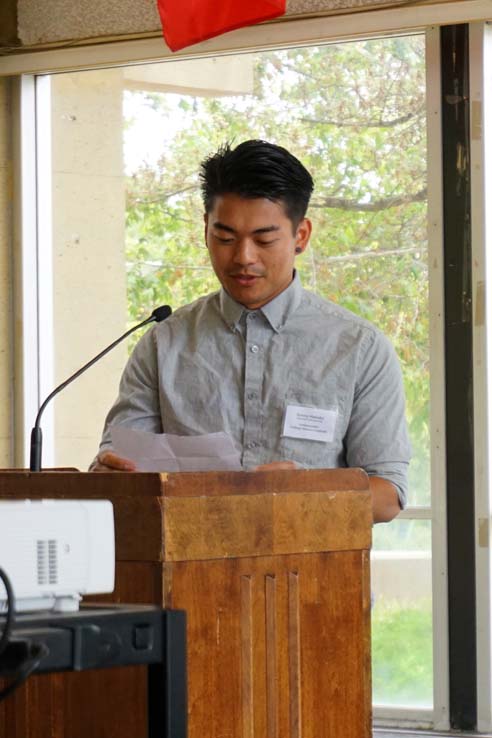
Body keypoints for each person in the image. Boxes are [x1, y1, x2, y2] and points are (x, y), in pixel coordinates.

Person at [91, 140, 411, 523]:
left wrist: (304, 493)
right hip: (189, 575)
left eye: (264, 239)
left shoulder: (359, 347)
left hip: (316, 577)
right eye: (225, 238)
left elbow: (388, 494)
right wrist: (109, 475)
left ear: (301, 235)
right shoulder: (164, 343)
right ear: (205, 229)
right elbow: (118, 463)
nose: (243, 257)